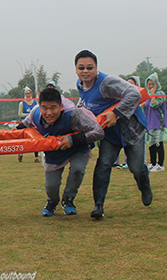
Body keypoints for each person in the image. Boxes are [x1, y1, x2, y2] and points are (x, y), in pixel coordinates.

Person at [75, 50, 152, 219]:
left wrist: (116, 114)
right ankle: (98, 206)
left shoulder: (107, 83)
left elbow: (134, 94)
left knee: (136, 167)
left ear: (96, 68)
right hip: (109, 135)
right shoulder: (80, 85)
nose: (85, 71)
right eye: (81, 68)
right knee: (103, 165)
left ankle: (144, 185)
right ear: (76, 69)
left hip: (132, 131)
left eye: (89, 67)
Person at [18, 88, 104, 216]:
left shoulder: (74, 114)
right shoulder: (35, 114)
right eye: (44, 108)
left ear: (61, 106)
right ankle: (52, 202)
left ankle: (68, 199)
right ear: (40, 107)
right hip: (53, 152)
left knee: (78, 169)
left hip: (77, 148)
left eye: (53, 108)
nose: (49, 113)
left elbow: (98, 132)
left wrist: (72, 139)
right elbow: (23, 126)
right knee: (51, 186)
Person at [144, 73, 167, 172]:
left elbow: (154, 105)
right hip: (149, 123)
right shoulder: (147, 95)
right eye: (149, 84)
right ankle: (153, 163)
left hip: (158, 123)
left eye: (152, 84)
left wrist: (153, 95)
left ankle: (160, 164)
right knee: (151, 144)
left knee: (158, 144)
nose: (151, 86)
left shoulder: (160, 94)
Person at [17, 87, 40, 163]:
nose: (28, 95)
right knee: (23, 140)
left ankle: (36, 157)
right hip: (25, 123)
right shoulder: (22, 103)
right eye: (27, 93)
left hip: (33, 124)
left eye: (29, 93)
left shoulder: (35, 102)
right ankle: (21, 153)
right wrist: (29, 115)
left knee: (35, 140)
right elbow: (20, 114)